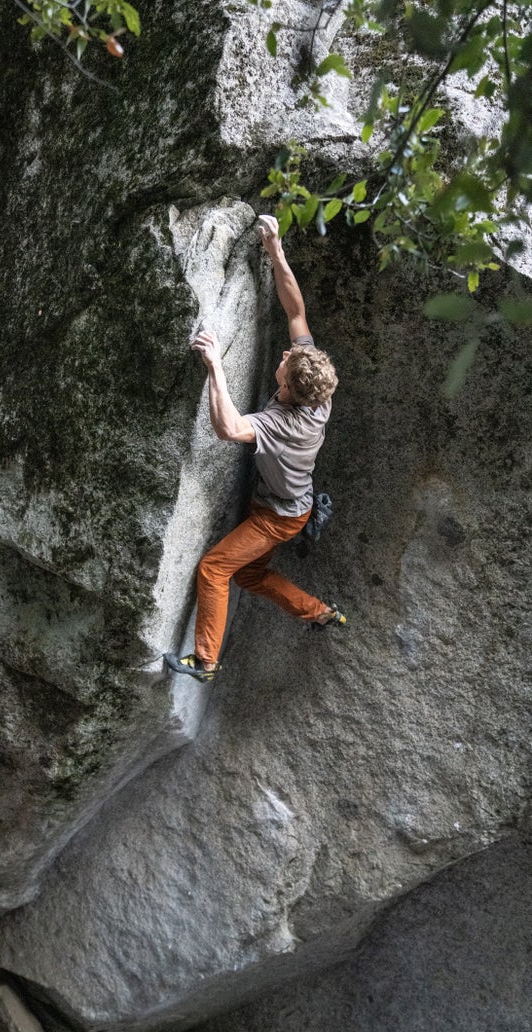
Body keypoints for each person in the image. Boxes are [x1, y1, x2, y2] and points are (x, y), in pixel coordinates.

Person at [164, 214, 346, 684]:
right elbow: (296, 312)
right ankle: (318, 613)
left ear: (288, 388)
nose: (284, 356)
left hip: (276, 517)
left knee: (214, 569)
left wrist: (215, 367)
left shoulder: (282, 423)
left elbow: (227, 428)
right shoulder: (316, 393)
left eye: (285, 364)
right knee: (248, 575)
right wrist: (276, 251)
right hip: (290, 507)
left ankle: (205, 662)